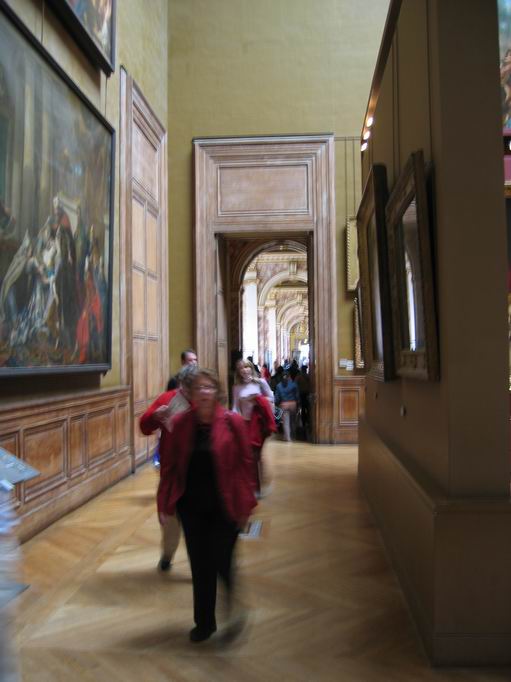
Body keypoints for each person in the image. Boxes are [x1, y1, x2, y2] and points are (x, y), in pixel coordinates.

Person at [157, 368, 256, 643]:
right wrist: (164, 503)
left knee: (222, 561)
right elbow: (170, 466)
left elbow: (246, 464)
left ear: (217, 392)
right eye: (198, 387)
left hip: (225, 505)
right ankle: (204, 623)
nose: (203, 392)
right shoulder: (180, 423)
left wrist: (246, 505)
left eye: (209, 387)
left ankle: (234, 611)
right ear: (190, 393)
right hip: (191, 508)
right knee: (200, 565)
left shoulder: (232, 422)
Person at [140, 365, 198, 572]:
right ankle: (167, 555)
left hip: (196, 471)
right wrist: (155, 416)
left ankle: (199, 564)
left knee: (197, 524)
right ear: (181, 385)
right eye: (188, 387)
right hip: (171, 472)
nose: (192, 391)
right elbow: (144, 426)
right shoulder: (168, 399)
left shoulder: (203, 400)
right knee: (170, 519)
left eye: (195, 386)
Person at [232, 360, 275, 496]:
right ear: (238, 372)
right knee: (251, 455)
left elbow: (272, 398)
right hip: (245, 423)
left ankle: (258, 485)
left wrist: (256, 399)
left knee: (255, 454)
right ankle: (255, 485)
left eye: (246, 367)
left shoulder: (260, 382)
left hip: (259, 424)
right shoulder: (237, 387)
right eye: (241, 368)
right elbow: (235, 407)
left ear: (251, 368)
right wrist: (233, 421)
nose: (244, 370)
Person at [274, 371, 300, 442]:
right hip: (293, 404)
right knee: (293, 421)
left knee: (286, 422)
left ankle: (288, 438)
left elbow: (277, 398)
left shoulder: (278, 386)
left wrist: (277, 404)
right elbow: (297, 395)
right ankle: (293, 435)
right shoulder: (294, 384)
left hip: (284, 404)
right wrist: (298, 404)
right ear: (289, 377)